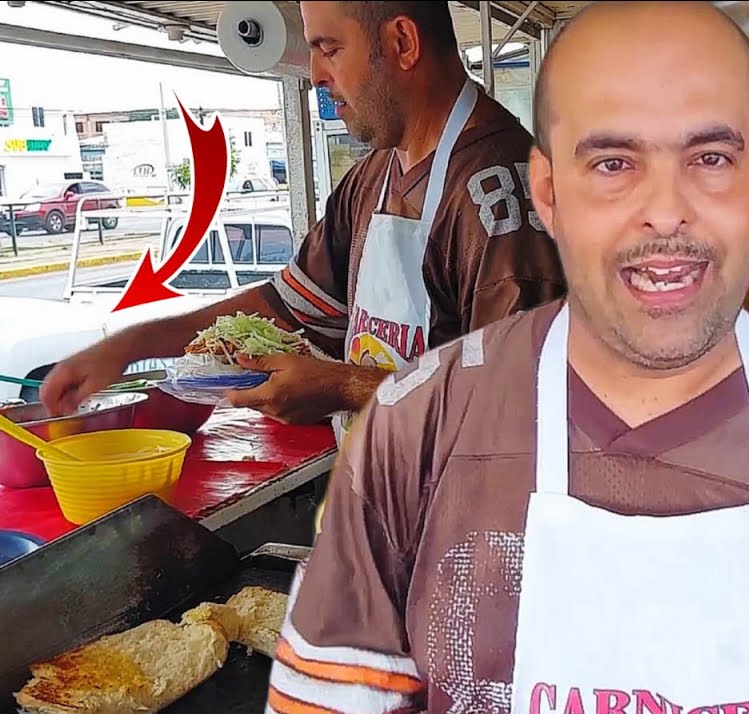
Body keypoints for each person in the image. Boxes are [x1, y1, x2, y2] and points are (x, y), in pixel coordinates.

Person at [265, 2, 749, 714]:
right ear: (550, 195)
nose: (665, 211)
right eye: (614, 163)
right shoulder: (406, 438)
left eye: (711, 157)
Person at [39, 2, 566, 440]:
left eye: (330, 49)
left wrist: (344, 387)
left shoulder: (501, 192)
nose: (315, 75)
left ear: (403, 42)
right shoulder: (373, 177)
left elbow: (516, 403)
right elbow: (281, 308)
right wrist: (130, 346)